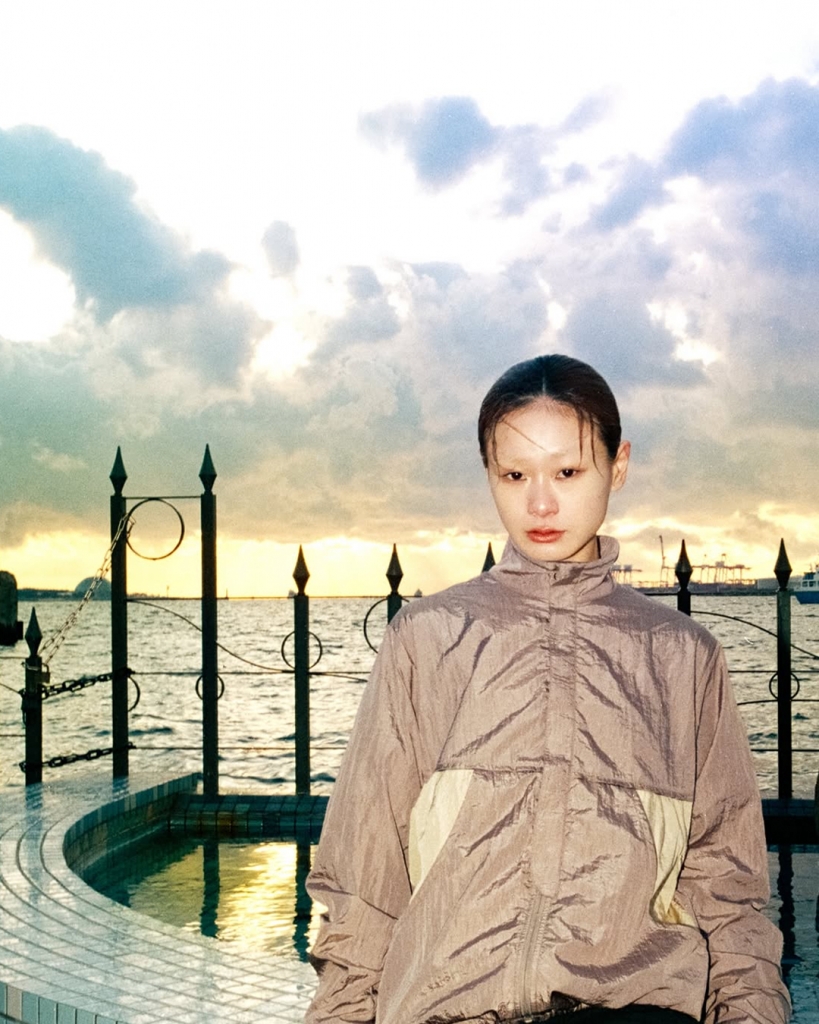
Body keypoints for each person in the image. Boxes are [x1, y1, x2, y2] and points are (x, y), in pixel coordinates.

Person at [305, 354, 790, 1024]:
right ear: (488, 472)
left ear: (617, 465)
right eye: (514, 475)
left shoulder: (683, 656)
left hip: (638, 1009)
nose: (539, 503)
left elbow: (728, 887)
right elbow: (364, 872)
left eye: (567, 472)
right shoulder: (426, 638)